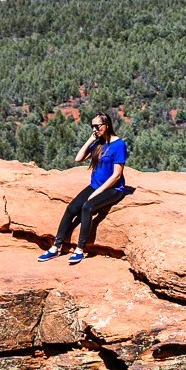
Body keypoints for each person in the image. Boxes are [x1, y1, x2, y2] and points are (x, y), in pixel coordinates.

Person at [38, 112, 127, 264]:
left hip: (113, 189)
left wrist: (98, 193)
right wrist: (91, 139)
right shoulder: (99, 143)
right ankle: (55, 247)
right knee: (71, 208)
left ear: (107, 125)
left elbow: (116, 175)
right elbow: (78, 158)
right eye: (92, 126)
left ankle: (80, 250)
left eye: (97, 126)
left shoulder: (119, 144)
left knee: (87, 207)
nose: (94, 129)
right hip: (95, 185)